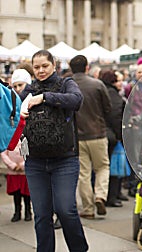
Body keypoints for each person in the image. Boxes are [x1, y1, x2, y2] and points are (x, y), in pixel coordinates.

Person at [19, 50, 88, 252]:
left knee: (66, 210)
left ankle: (79, 249)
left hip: (65, 160)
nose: (40, 70)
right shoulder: (28, 89)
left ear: (54, 65)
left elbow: (76, 100)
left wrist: (44, 98)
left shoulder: (66, 84)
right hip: (35, 162)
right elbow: (13, 108)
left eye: (44, 66)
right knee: (41, 215)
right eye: (37, 67)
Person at [70, 55, 112, 219]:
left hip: (77, 136)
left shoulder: (67, 85)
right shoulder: (97, 84)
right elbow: (107, 108)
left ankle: (88, 208)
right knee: (102, 167)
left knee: (84, 173)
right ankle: (100, 196)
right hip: (98, 133)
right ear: (87, 67)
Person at [1, 69, 32, 223]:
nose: (19, 89)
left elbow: (27, 149)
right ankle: (17, 212)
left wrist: (23, 163)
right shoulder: (10, 104)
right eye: (16, 85)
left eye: (21, 84)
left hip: (24, 167)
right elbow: (4, 149)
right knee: (16, 194)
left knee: (27, 193)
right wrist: (12, 165)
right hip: (13, 169)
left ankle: (28, 212)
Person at [101, 70, 127, 207]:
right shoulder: (113, 95)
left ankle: (104, 195)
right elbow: (116, 117)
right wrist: (119, 136)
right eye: (117, 80)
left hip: (99, 134)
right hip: (112, 135)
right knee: (113, 167)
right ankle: (112, 196)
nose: (120, 83)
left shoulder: (101, 90)